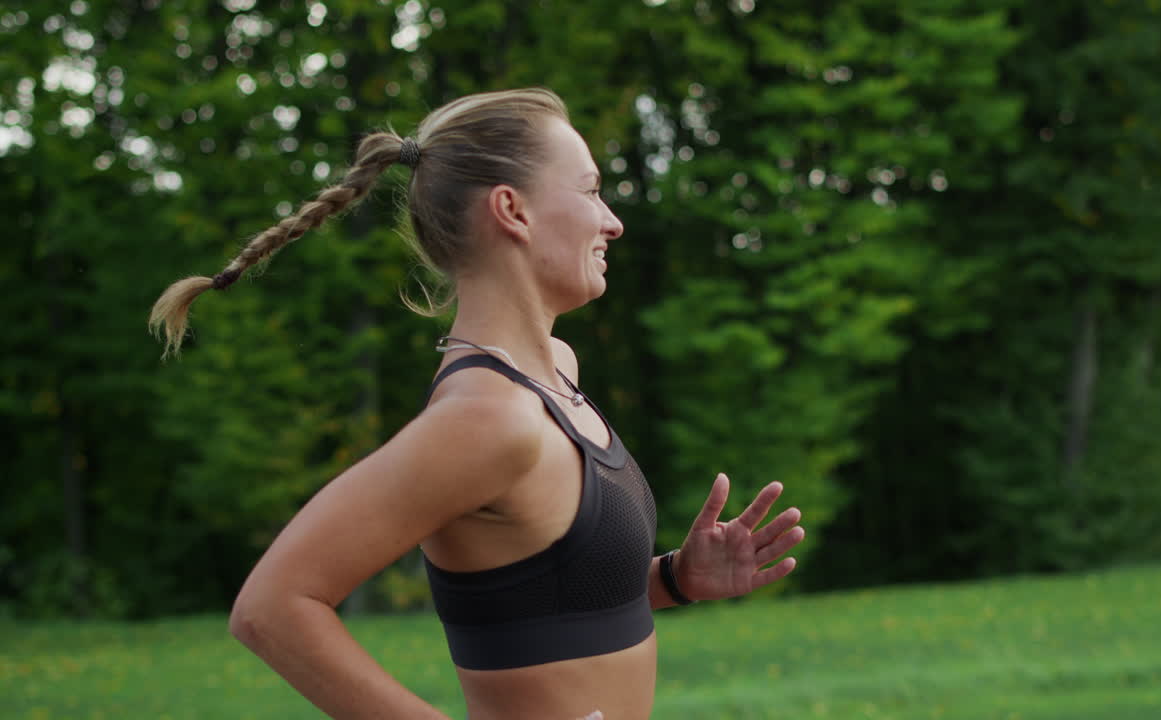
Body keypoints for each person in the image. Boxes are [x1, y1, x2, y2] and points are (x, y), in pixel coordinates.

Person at [149, 88, 805, 720]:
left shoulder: (556, 372)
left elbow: (545, 607)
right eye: (590, 190)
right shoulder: (487, 419)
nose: (613, 220)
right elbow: (271, 608)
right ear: (513, 211)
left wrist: (676, 579)